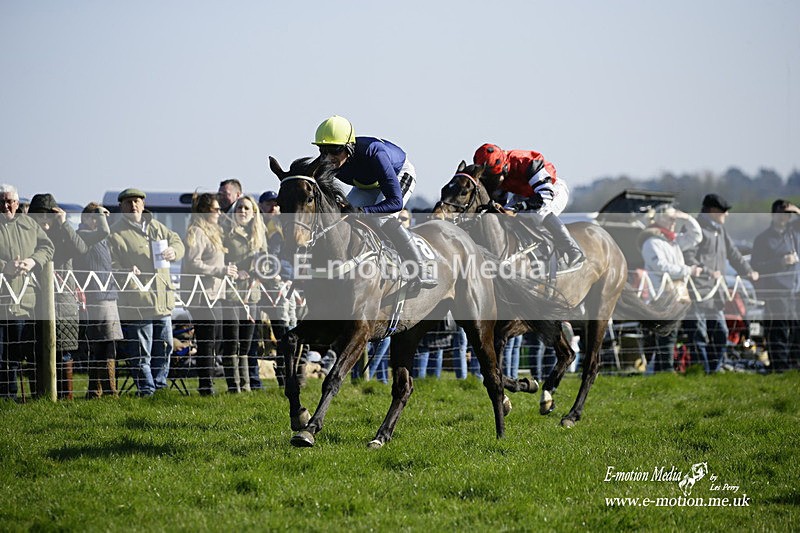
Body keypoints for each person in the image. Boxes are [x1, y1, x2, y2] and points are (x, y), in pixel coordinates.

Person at [312, 115, 436, 288]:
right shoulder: (328, 161)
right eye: (323, 150)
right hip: (366, 184)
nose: (328, 157)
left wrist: (362, 211)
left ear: (348, 147)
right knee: (342, 218)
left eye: (334, 150)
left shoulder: (375, 153)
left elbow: (395, 203)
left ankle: (420, 268)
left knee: (381, 217)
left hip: (398, 174)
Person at [109, 188, 185, 396]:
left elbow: (178, 242)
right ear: (121, 207)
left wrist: (174, 251)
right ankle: (147, 390)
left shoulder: (157, 227)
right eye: (128, 202)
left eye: (136, 201)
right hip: (138, 302)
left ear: (143, 204)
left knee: (165, 346)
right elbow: (111, 267)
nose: (133, 206)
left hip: (163, 299)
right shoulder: (115, 234)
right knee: (142, 352)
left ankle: (159, 387)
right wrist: (126, 272)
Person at [473, 143, 585, 270]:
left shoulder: (527, 161)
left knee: (540, 213)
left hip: (551, 190)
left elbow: (545, 196)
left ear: (503, 165)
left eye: (497, 176)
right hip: (523, 194)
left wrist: (517, 208)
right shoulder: (490, 168)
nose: (497, 180)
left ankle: (572, 249)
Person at [684, 194, 759, 374]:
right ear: (712, 210)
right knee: (699, 335)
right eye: (724, 211)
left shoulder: (720, 231)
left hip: (716, 294)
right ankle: (700, 372)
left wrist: (748, 271)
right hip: (698, 293)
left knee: (721, 333)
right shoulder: (695, 229)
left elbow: (733, 254)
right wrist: (706, 270)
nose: (727, 215)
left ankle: (713, 370)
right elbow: (688, 256)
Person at [29, 193, 93, 399]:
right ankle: (40, 397)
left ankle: (67, 398)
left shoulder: (64, 234)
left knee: (64, 353)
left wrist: (64, 223)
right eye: (40, 216)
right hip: (35, 302)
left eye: (48, 215)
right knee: (37, 353)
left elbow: (81, 249)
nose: (44, 220)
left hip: (63, 303)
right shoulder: (28, 236)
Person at [0, 184, 54, 399]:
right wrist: (4, 267)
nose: (6, 206)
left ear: (17, 203)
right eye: (2, 201)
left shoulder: (29, 224)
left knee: (17, 352)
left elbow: (47, 247)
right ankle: (5, 396)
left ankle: (15, 396)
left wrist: (33, 261)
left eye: (10, 201)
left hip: (25, 300)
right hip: (2, 298)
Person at [181, 193, 234, 396]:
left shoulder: (214, 231)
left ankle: (209, 381)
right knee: (207, 341)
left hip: (216, 293)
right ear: (204, 211)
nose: (219, 212)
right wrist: (219, 271)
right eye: (216, 209)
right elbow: (193, 262)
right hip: (201, 295)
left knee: (216, 338)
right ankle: (205, 385)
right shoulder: (196, 232)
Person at [638, 205, 703, 372]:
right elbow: (661, 266)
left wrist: (687, 218)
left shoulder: (671, 240)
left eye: (674, 218)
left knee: (671, 334)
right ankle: (665, 370)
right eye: (670, 218)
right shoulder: (651, 242)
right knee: (667, 335)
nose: (674, 221)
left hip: (676, 295)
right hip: (662, 296)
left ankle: (662, 370)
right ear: (658, 219)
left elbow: (696, 237)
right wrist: (688, 270)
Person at [74, 202, 123, 398]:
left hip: (108, 295)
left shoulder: (98, 238)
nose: (100, 219)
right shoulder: (84, 235)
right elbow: (104, 231)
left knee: (106, 343)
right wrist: (102, 214)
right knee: (104, 343)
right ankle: (108, 391)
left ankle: (97, 390)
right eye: (95, 215)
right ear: (86, 218)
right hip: (98, 296)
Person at [222, 195, 267, 393]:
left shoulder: (259, 233)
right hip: (232, 292)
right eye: (239, 207)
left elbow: (266, 260)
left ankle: (246, 384)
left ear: (253, 212)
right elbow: (221, 257)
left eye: (247, 208)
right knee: (232, 340)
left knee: (248, 343)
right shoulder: (226, 232)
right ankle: (233, 385)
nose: (243, 211)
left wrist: (259, 272)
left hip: (252, 294)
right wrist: (232, 269)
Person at [751, 200, 800, 372]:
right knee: (777, 330)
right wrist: (780, 262)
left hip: (795, 291)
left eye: (788, 214)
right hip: (776, 292)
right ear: (773, 214)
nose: (784, 217)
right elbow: (756, 265)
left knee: (795, 330)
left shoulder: (793, 233)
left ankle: (793, 364)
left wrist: (797, 210)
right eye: (781, 213)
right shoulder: (763, 239)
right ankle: (779, 367)